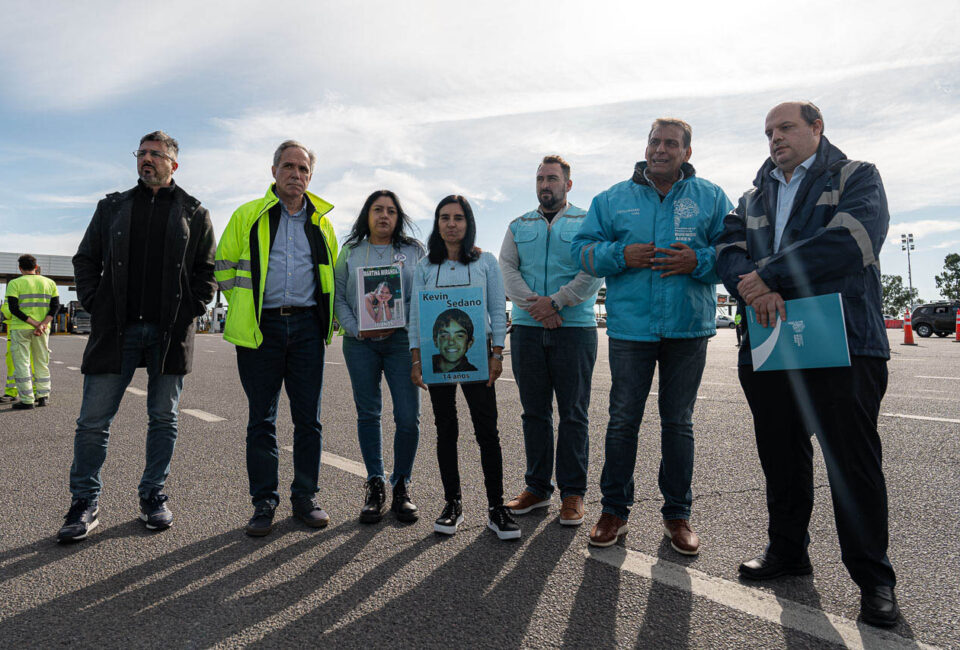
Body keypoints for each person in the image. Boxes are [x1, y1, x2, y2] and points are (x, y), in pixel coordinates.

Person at [715, 101, 899, 628]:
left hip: (842, 340)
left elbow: (850, 242)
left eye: (786, 127)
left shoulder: (856, 176)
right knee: (781, 454)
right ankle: (787, 551)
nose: (775, 137)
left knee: (852, 463)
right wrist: (751, 286)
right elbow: (728, 249)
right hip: (770, 342)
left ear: (817, 128)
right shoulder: (752, 196)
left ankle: (875, 580)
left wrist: (769, 275)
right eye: (769, 131)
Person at [571, 118, 732, 554]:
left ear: (687, 153)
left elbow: (734, 255)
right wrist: (621, 255)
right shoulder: (611, 199)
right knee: (623, 421)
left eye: (671, 144)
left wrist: (697, 262)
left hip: (688, 327)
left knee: (678, 423)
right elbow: (581, 251)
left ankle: (677, 515)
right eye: (654, 142)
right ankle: (614, 511)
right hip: (631, 330)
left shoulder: (712, 197)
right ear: (645, 147)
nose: (660, 149)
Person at [59, 131, 216, 542]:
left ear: (173, 165)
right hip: (117, 329)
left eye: (155, 154)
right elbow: (85, 257)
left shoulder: (194, 212)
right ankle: (84, 503)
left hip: (168, 332)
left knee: (163, 418)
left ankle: (153, 496)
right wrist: (96, 300)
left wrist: (192, 309)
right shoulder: (112, 207)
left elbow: (207, 270)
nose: (146, 159)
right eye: (141, 153)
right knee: (93, 421)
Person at [216, 140, 339, 537]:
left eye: (304, 170)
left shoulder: (322, 223)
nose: (296, 175)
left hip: (306, 328)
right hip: (260, 328)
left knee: (309, 421)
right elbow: (223, 269)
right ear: (274, 172)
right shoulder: (248, 215)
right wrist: (246, 306)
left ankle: (305, 498)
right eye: (289, 167)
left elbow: (331, 278)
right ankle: (263, 503)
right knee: (261, 420)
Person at [408, 195, 520, 541]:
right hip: (435, 360)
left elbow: (498, 311)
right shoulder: (425, 267)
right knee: (446, 430)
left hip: (478, 357)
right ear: (437, 224)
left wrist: (497, 354)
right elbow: (415, 318)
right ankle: (452, 503)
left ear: (468, 223)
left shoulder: (485, 262)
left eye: (458, 217)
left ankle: (496, 507)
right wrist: (416, 360)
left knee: (488, 431)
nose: (451, 223)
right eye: (444, 217)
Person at [500, 155, 603, 527]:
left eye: (553, 179)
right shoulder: (517, 225)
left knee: (574, 414)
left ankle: (573, 493)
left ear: (568, 185)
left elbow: (592, 270)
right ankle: (537, 488)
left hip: (574, 330)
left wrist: (557, 303)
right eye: (541, 179)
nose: (546, 185)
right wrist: (538, 308)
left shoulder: (588, 221)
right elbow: (507, 269)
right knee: (534, 414)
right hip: (527, 331)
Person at [334, 189, 424, 524]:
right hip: (360, 344)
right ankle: (375, 484)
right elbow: (339, 297)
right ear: (366, 215)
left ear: (399, 217)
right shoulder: (351, 251)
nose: (384, 216)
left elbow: (422, 295)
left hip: (401, 343)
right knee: (368, 413)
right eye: (377, 209)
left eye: (391, 210)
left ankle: (401, 484)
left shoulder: (414, 251)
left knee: (408, 416)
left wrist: (412, 336)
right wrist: (357, 329)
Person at [4, 255, 58, 410]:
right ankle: (43, 397)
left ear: (20, 268)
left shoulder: (14, 283)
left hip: (21, 328)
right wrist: (42, 324)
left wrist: (34, 323)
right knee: (41, 361)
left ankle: (27, 400)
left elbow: (14, 309)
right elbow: (55, 306)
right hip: (42, 330)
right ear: (36, 267)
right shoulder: (50, 283)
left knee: (22, 363)